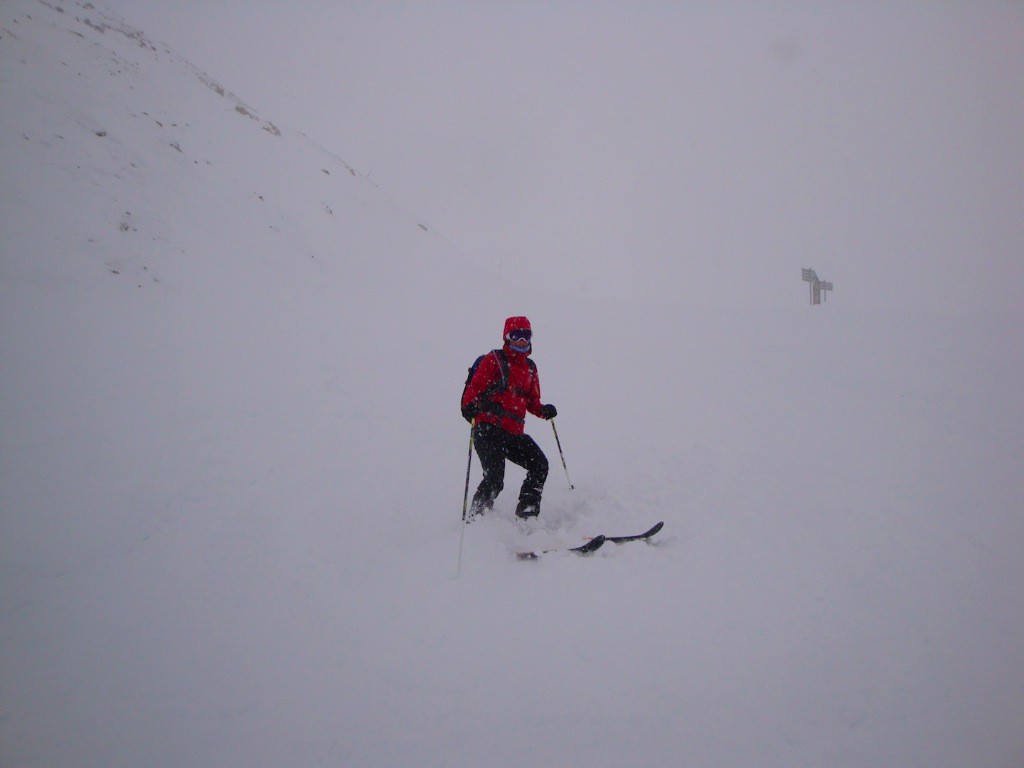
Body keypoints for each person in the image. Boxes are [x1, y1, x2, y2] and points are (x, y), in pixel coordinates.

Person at [461, 316, 558, 520]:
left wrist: (543, 410)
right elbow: (474, 389)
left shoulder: (530, 368)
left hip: (513, 433)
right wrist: (469, 406)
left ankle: (527, 513)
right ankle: (476, 520)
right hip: (488, 429)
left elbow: (532, 401)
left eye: (526, 335)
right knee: (495, 478)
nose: (521, 340)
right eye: (516, 335)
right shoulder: (494, 360)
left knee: (539, 465)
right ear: (507, 337)